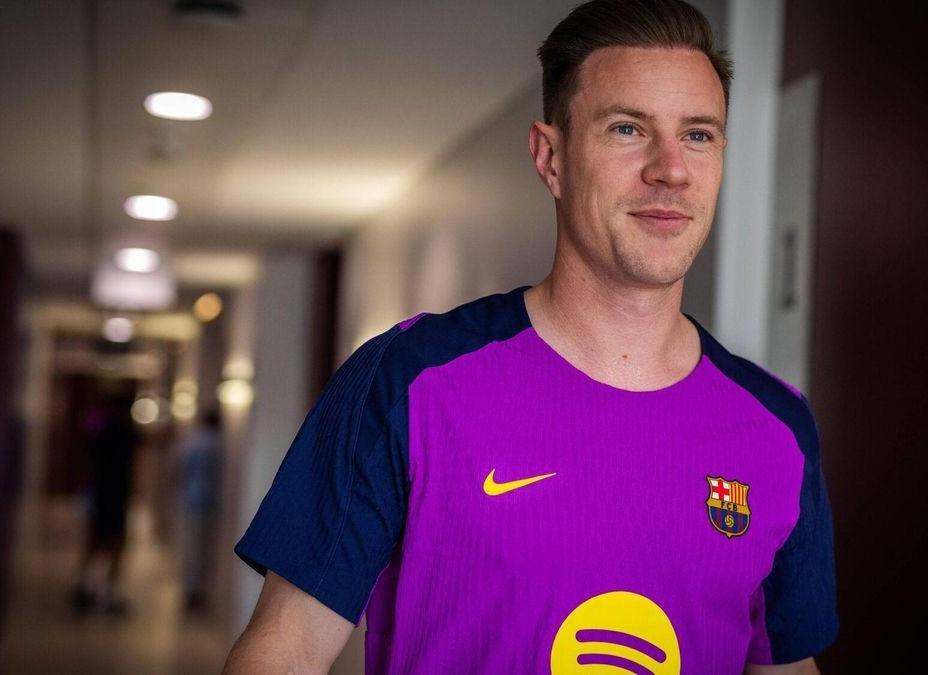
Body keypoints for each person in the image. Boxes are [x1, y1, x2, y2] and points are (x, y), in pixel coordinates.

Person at [225, 0, 837, 672]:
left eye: (698, 135)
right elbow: (284, 650)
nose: (670, 168)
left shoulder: (778, 426)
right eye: (628, 128)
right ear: (551, 157)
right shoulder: (409, 380)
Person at [69, 393, 138, 616]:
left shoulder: (101, 432)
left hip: (101, 494)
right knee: (115, 543)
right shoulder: (125, 432)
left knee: (94, 542)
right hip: (113, 496)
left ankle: (84, 586)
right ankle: (106, 591)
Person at [174, 408, 223, 613]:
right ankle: (196, 591)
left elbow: (178, 469)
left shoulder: (192, 441)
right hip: (207, 502)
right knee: (202, 549)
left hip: (189, 499)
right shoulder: (217, 443)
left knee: (191, 546)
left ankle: (191, 589)